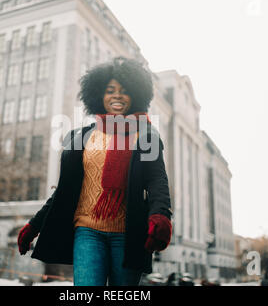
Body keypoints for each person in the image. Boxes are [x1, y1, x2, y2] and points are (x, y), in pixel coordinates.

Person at [17, 56, 172, 286]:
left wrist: (160, 217)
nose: (117, 95)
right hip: (87, 231)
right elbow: (65, 189)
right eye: (110, 90)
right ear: (99, 95)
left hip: (128, 234)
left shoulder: (146, 135)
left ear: (136, 95)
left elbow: (157, 181)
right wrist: (34, 225)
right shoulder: (82, 136)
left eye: (125, 90)